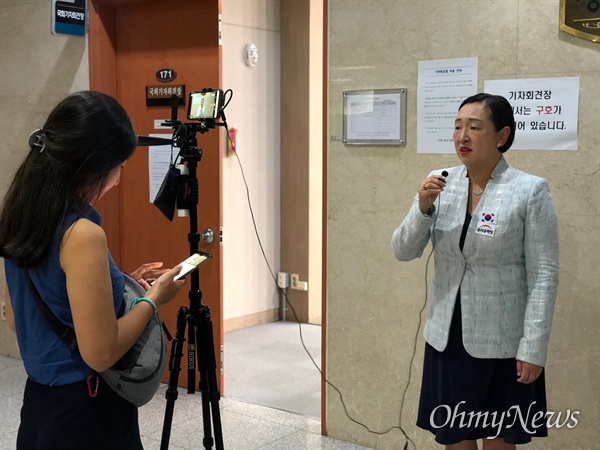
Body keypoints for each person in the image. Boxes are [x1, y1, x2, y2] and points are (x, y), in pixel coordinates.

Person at [0, 91, 187, 449]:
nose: (119, 177)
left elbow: (16, 316)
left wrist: (113, 284)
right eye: (121, 165)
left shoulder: (21, 216)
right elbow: (100, 353)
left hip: (39, 405)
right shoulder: (82, 233)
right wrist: (153, 298)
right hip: (86, 412)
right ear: (96, 166)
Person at [391, 93, 559, 449]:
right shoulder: (441, 183)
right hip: (448, 337)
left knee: (499, 441)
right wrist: (422, 206)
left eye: (474, 127)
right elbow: (403, 250)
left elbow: (544, 274)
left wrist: (534, 347)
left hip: (504, 343)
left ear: (501, 135)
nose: (462, 136)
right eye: (457, 126)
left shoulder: (529, 190)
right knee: (456, 437)